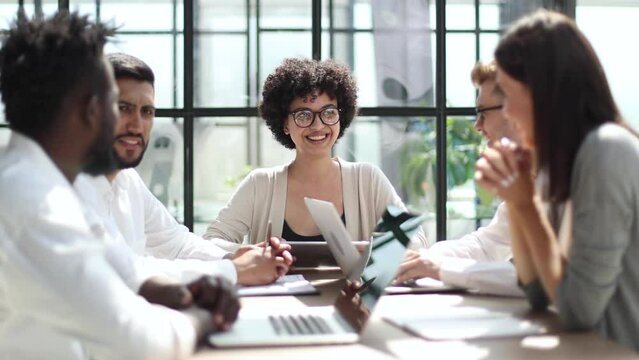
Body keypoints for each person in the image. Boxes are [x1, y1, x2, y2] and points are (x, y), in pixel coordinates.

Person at [0, 12, 238, 359]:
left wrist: (190, 290)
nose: (130, 123)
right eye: (116, 104)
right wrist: (204, 317)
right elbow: (144, 342)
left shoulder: (55, 181)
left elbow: (127, 271)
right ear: (90, 110)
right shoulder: (33, 204)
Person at [475, 10, 639, 351]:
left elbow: (578, 310)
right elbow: (535, 291)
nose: (505, 113)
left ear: (540, 90)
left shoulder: (607, 150)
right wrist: (518, 199)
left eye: (507, 93)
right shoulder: (557, 166)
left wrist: (526, 204)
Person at [75, 52, 292, 286]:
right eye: (123, 108)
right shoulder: (72, 189)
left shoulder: (128, 180)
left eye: (146, 111)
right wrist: (235, 270)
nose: (137, 124)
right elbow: (125, 271)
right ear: (92, 112)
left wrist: (231, 257)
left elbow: (175, 242)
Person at [203, 57, 429, 251]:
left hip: (351, 299)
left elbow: (417, 240)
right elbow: (211, 242)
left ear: (341, 116)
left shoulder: (367, 179)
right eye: (303, 115)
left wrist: (373, 251)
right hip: (276, 301)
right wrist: (252, 253)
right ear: (285, 124)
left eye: (328, 113)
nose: (318, 126)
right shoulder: (260, 184)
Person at [395, 61, 524, 297]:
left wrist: (441, 268)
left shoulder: (567, 176)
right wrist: (423, 260)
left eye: (483, 113)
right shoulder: (526, 174)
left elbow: (531, 280)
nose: (477, 126)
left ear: (514, 109)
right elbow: (487, 245)